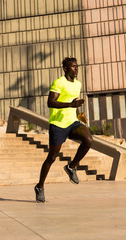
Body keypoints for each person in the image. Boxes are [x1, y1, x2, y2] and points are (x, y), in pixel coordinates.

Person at [34, 57, 93, 203]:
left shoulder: (78, 84)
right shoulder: (58, 83)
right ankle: (40, 186)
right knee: (52, 158)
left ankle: (72, 167)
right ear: (65, 69)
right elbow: (50, 102)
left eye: (77, 66)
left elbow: (75, 102)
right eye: (73, 67)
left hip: (72, 122)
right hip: (58, 125)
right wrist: (70, 105)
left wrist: (79, 113)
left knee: (89, 140)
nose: (76, 69)